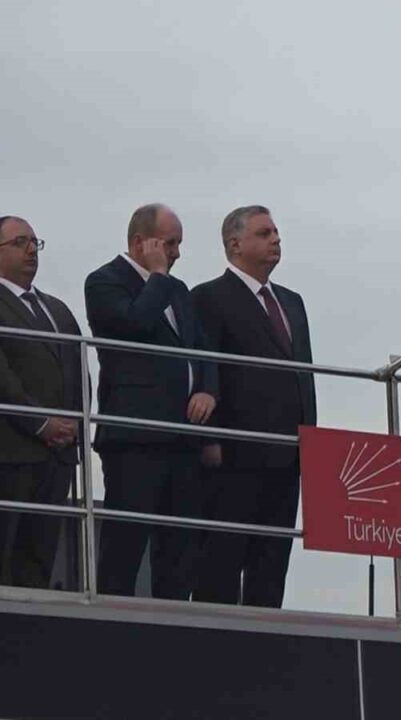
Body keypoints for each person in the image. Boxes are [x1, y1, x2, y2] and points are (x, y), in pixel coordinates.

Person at [85, 203, 218, 599]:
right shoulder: (104, 281)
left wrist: (207, 389)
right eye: (169, 243)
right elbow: (134, 323)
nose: (176, 253)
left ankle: (173, 624)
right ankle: (112, 622)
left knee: (179, 551)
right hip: (135, 438)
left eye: (179, 244)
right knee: (125, 546)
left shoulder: (178, 290)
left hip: (183, 437)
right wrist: (157, 276)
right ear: (141, 242)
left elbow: (204, 350)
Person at [191, 206, 316, 608]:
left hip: (290, 453)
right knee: (222, 560)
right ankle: (216, 638)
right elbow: (204, 369)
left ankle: (266, 635)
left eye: (276, 232)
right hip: (235, 454)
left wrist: (312, 443)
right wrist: (209, 439)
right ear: (235, 244)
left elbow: (303, 377)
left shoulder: (292, 302)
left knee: (272, 562)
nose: (276, 239)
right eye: (264, 233)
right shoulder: (208, 297)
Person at [0, 215, 85, 589]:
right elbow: (4, 379)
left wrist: (77, 420)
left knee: (40, 555)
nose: (31, 250)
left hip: (58, 455)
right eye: (20, 242)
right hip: (12, 450)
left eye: (35, 242)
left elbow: (79, 368)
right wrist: (40, 423)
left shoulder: (57, 309)